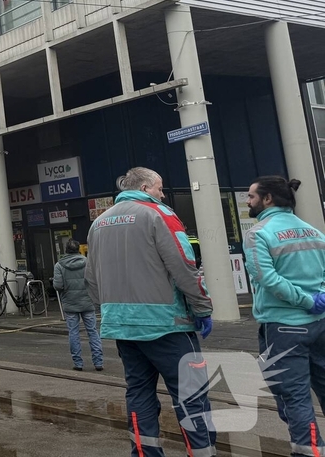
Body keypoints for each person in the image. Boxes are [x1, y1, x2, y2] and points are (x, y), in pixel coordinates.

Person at [85, 167, 215, 457]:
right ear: (145, 187)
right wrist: (202, 308)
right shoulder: (160, 215)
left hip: (122, 327)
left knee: (139, 393)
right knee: (191, 396)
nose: (162, 194)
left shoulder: (99, 223)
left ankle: (144, 453)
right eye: (159, 188)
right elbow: (184, 267)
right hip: (166, 325)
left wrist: (110, 308)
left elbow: (91, 279)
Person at [243, 176, 325, 457]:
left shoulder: (258, 234)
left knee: (294, 396)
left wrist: (303, 301)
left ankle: (309, 451)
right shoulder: (313, 231)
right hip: (320, 323)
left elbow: (267, 279)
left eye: (252, 196)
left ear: (268, 199)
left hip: (284, 328)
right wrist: (318, 298)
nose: (248, 200)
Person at [53, 240, 103, 372]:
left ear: (66, 250)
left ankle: (78, 363)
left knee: (73, 333)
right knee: (92, 331)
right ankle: (98, 362)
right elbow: (95, 281)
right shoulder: (87, 262)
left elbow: (58, 286)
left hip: (70, 303)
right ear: (78, 250)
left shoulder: (59, 265)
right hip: (87, 302)